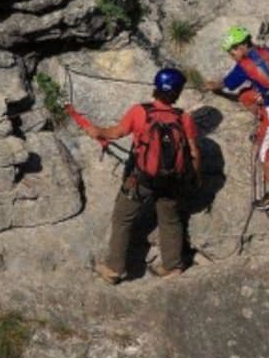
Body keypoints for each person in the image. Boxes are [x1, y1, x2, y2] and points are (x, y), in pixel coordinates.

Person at [67, 67, 201, 285]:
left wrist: (95, 130)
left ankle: (114, 269)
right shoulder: (184, 118)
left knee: (122, 218)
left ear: (156, 88)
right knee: (170, 220)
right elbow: (194, 151)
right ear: (177, 92)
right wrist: (196, 176)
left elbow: (115, 133)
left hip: (142, 179)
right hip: (172, 181)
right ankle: (172, 265)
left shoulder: (140, 112)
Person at [204, 27, 269, 211]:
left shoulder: (243, 66)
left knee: (264, 154)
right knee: (246, 95)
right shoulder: (268, 51)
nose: (232, 55)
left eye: (234, 50)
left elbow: (227, 83)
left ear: (244, 45)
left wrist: (214, 86)